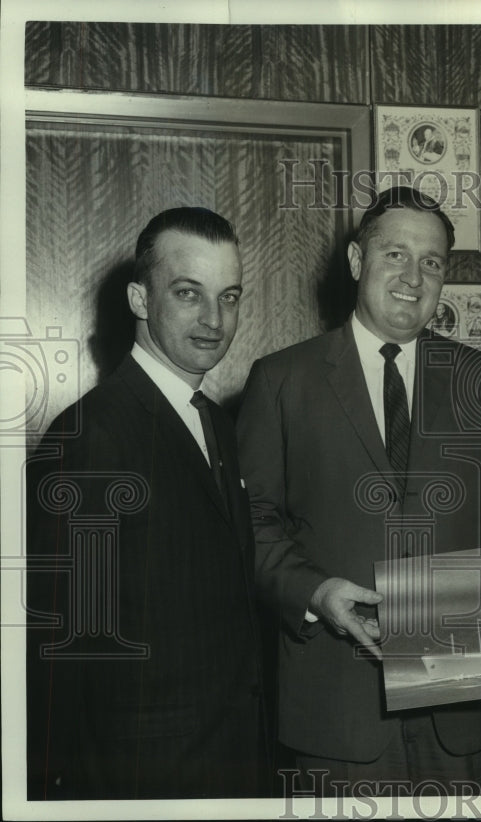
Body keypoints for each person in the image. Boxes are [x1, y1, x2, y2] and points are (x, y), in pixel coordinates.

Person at [236, 186, 481, 792]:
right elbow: (250, 521)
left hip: (465, 710)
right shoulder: (281, 379)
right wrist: (315, 591)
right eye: (394, 254)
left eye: (431, 262)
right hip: (335, 708)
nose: (413, 276)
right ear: (355, 261)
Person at [26, 207, 264, 799]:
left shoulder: (216, 423)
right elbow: (61, 648)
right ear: (139, 298)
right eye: (189, 293)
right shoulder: (90, 436)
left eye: (229, 296)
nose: (215, 319)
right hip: (141, 777)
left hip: (231, 762)